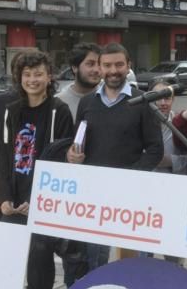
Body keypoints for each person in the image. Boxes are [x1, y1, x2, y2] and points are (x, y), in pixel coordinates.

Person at [0, 50, 78, 289]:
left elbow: (61, 163)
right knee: (9, 261)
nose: (32, 79)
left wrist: (38, 201)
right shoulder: (10, 111)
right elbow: (4, 157)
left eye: (38, 74)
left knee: (40, 257)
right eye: (27, 74)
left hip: (42, 200)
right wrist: (4, 198)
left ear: (49, 76)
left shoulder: (59, 111)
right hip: (13, 201)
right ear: (19, 78)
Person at [67, 43, 163, 269]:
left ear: (128, 66)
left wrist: (129, 177)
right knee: (94, 260)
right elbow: (78, 142)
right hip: (93, 197)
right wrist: (73, 155)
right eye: (107, 65)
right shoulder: (87, 102)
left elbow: (155, 149)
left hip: (130, 197)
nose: (113, 70)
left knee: (128, 263)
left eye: (119, 64)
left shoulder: (143, 101)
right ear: (99, 68)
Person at [55, 43, 102, 120]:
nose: (97, 70)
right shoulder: (58, 102)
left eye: (100, 64)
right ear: (75, 67)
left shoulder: (109, 100)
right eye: (90, 64)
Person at [149, 81, 187, 175]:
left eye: (167, 98)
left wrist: (171, 161)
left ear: (173, 99)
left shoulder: (181, 124)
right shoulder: (139, 123)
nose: (163, 103)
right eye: (158, 98)